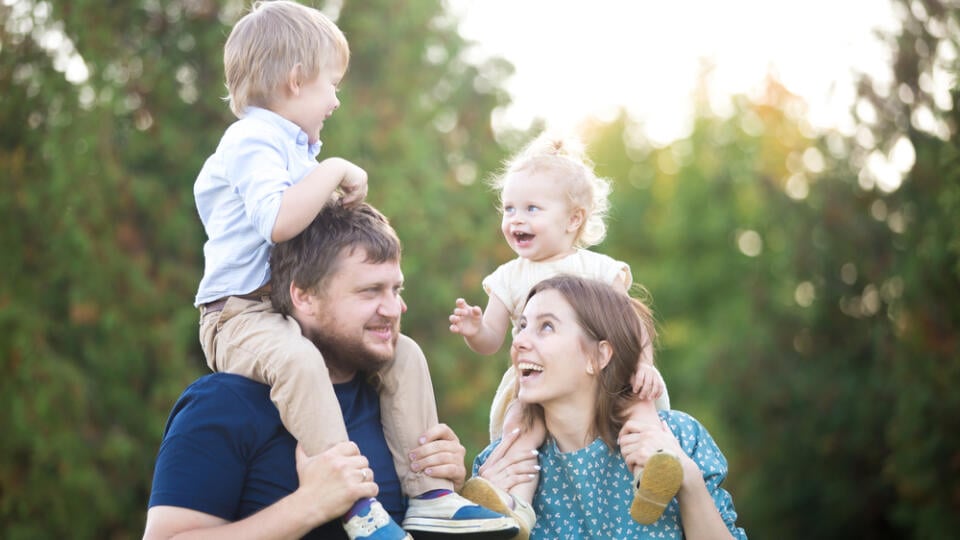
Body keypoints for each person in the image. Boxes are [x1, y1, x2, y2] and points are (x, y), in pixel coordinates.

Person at [190, 2, 490, 537]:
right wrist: (333, 171)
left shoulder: (295, 148)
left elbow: (320, 243)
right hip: (237, 314)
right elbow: (278, 221)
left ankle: (431, 494)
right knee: (300, 362)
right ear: (296, 79)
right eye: (332, 83)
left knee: (406, 354)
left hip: (281, 306)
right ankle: (354, 503)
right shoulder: (251, 141)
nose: (335, 99)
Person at [146, 203, 519, 539]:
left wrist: (448, 487)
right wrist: (309, 505)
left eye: (396, 289)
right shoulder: (224, 403)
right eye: (370, 291)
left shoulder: (396, 408)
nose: (393, 308)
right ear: (303, 296)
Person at [448, 133, 677, 534]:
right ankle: (514, 506)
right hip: (535, 381)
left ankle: (653, 475)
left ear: (574, 219)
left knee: (639, 405)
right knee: (519, 432)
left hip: (608, 374)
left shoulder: (598, 269)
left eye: (532, 209)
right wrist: (474, 329)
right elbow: (491, 342)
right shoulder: (509, 276)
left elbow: (631, 323)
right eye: (509, 209)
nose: (516, 219)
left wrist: (643, 363)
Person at [464, 275, 747, 539]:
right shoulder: (499, 465)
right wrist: (481, 523)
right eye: (522, 327)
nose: (519, 341)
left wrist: (689, 480)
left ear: (599, 356)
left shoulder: (677, 437)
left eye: (546, 326)